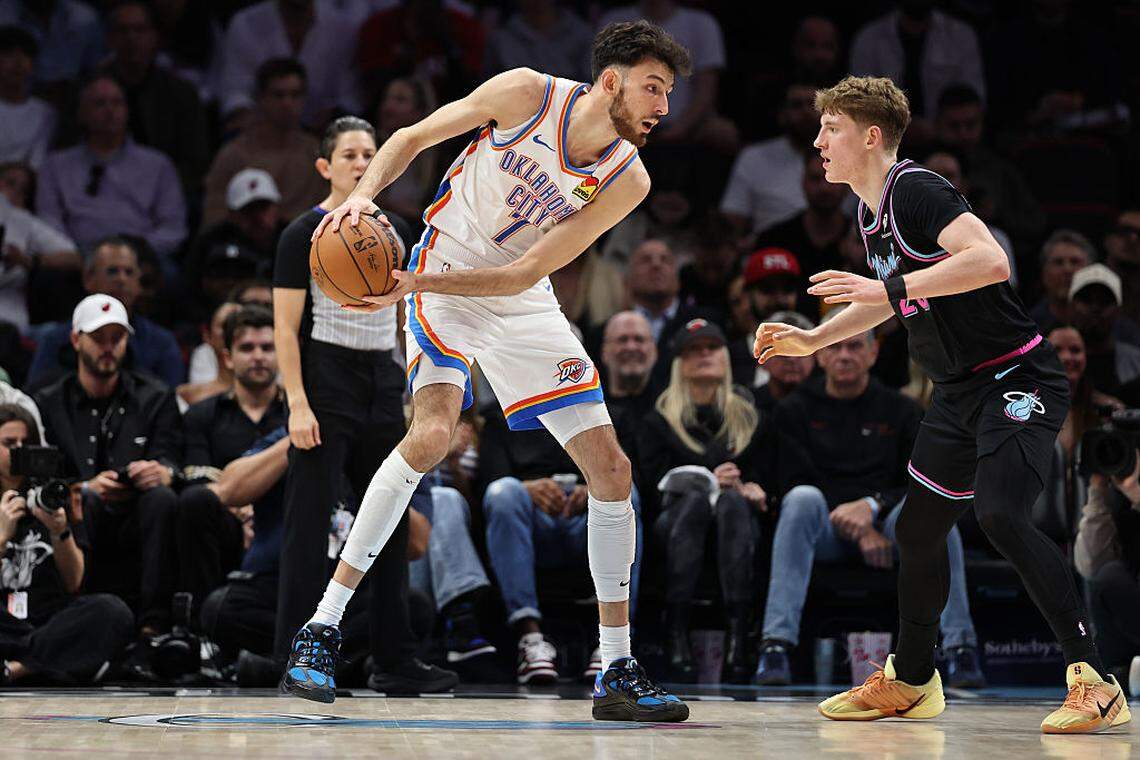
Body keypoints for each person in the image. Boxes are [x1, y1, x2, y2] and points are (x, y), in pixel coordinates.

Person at [285, 21, 692, 722]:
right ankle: (320, 629)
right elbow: (410, 137)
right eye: (653, 88)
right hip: (441, 264)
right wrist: (361, 199)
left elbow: (526, 272)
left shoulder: (628, 178)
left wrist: (407, 287)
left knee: (613, 472)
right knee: (433, 433)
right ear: (612, 81)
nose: (662, 106)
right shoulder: (525, 93)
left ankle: (617, 667)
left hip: (513, 295)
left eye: (669, 94)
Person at [755, 75, 1127, 733]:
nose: (817, 142)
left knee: (1001, 514)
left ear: (871, 137)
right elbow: (890, 300)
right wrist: (813, 338)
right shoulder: (868, 212)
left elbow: (990, 262)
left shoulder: (916, 189)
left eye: (831, 129)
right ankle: (913, 679)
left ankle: (1095, 679)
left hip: (1018, 376)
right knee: (916, 530)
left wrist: (887, 289)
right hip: (957, 393)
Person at [272, 115, 453, 695]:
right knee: (310, 519)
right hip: (325, 376)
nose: (360, 162)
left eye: (369, 153)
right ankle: (294, 656)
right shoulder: (304, 230)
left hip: (384, 377)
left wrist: (412, 389)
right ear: (325, 166)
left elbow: (409, 317)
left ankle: (393, 660)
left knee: (391, 518)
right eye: (349, 154)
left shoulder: (395, 229)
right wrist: (297, 403)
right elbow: (283, 328)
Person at [754, 311, 981, 689]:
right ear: (821, 354)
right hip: (822, 526)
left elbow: (922, 481)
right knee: (800, 499)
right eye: (836, 346)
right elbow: (792, 480)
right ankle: (775, 645)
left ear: (874, 353)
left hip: (889, 526)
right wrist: (857, 526)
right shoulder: (793, 410)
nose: (845, 355)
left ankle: (961, 648)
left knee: (934, 516)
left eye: (855, 345)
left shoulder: (902, 410)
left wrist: (872, 507)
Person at [637, 318, 813, 683]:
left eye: (712, 348)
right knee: (698, 502)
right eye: (693, 350)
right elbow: (651, 486)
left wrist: (757, 489)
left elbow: (773, 476)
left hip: (738, 522)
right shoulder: (657, 420)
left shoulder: (754, 419)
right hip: (676, 523)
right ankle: (677, 628)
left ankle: (739, 632)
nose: (704, 356)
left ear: (726, 357)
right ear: (679, 362)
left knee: (733, 503)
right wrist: (705, 478)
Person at [33, 294, 182, 640]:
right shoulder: (47, 402)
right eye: (99, 338)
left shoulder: (155, 396)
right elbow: (41, 473)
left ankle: (154, 625)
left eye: (117, 338)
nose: (109, 347)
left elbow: (173, 456)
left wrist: (163, 471)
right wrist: (82, 487)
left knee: (163, 498)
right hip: (79, 513)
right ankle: (80, 615)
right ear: (75, 340)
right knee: (84, 500)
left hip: (137, 511)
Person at [0, 402, 134, 685]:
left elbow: (74, 582)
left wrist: (59, 530)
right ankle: (52, 663)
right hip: (5, 621)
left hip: (46, 621)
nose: (18, 450)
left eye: (27, 443)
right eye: (9, 443)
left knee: (111, 611)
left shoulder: (49, 498)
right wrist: (1, 537)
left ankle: (15, 669)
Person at [175, 305, 286, 622]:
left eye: (267, 347)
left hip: (284, 523)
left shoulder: (298, 415)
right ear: (227, 357)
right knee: (194, 502)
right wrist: (239, 509)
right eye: (247, 348)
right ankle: (202, 628)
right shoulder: (202, 415)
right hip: (225, 521)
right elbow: (196, 475)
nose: (258, 356)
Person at [35, 75, 187, 272]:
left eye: (117, 103)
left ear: (127, 111)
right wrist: (77, 253)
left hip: (141, 255)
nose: (110, 110)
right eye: (100, 103)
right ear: (82, 113)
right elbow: (49, 220)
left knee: (171, 279)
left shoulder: (158, 164)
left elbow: (173, 227)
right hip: (78, 254)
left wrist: (133, 252)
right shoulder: (55, 165)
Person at [26, 237, 185, 391]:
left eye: (129, 272)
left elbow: (171, 403)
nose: (121, 279)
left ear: (139, 283)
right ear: (88, 279)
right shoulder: (55, 340)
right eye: (112, 271)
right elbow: (36, 397)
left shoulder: (162, 343)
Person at [101, 0, 209, 194]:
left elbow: (195, 163)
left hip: (166, 193)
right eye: (123, 31)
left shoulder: (182, 94)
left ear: (156, 37)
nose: (131, 38)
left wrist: (159, 189)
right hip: (101, 193)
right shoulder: (87, 92)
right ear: (110, 39)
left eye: (139, 30)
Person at [203, 59, 327, 226]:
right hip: (248, 246)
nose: (287, 103)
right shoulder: (233, 155)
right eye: (279, 95)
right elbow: (214, 218)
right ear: (260, 98)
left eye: (295, 95)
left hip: (306, 244)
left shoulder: (317, 153)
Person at [1069, 263, 1140, 395]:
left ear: (1118, 309)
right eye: (1087, 300)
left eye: (1104, 301)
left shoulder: (1136, 364)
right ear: (1072, 306)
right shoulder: (1050, 364)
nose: (1095, 308)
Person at [0, 25, 55, 168]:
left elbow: (37, 163)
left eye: (25, 54)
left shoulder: (45, 113)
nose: (18, 61)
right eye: (9, 53)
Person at [1029, 231, 1095, 335]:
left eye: (1075, 262)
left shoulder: (1110, 325)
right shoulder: (1026, 330)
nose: (1067, 269)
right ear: (1044, 273)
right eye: (1058, 262)